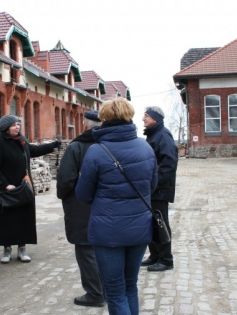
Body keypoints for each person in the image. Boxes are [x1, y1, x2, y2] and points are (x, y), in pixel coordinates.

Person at [75, 98, 157, 315]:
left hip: (108, 231)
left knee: (114, 291)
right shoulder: (145, 147)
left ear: (104, 118)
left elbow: (82, 194)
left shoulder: (96, 151)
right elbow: (153, 185)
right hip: (139, 228)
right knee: (130, 285)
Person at [0, 115, 60, 263]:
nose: (17, 127)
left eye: (18, 124)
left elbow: (34, 150)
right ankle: (6, 250)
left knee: (23, 219)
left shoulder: (21, 141)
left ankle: (22, 249)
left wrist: (53, 145)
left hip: (23, 188)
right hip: (6, 190)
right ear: (6, 128)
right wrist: (5, 184)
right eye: (14, 125)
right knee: (6, 220)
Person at [56, 110, 105, 307]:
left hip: (81, 205)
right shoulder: (111, 144)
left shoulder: (76, 147)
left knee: (86, 249)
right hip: (108, 205)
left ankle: (95, 293)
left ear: (85, 125)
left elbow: (65, 179)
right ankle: (109, 289)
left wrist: (63, 195)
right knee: (107, 249)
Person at [140, 106, 178, 272]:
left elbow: (169, 163)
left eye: (146, 116)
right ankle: (155, 255)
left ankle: (166, 259)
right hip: (152, 188)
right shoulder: (153, 135)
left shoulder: (163, 135)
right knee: (151, 223)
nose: (143, 119)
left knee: (160, 223)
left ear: (155, 118)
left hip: (159, 189)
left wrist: (154, 183)